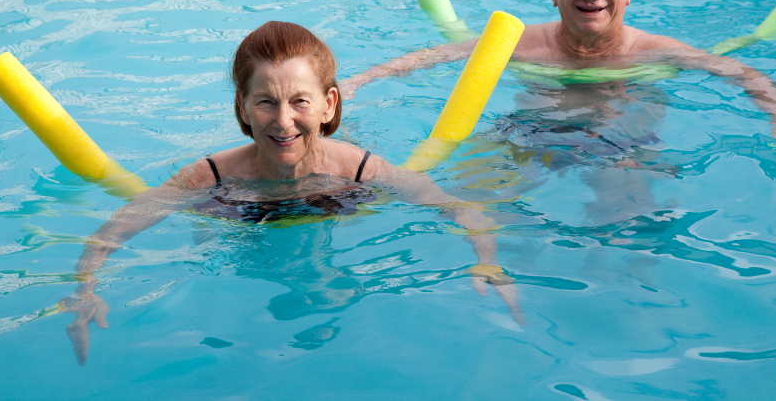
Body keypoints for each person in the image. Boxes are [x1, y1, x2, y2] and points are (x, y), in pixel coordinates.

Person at [63, 21, 524, 365]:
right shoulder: (207, 179)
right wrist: (86, 290)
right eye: (265, 101)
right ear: (242, 107)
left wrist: (487, 260)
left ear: (329, 105)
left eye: (300, 101)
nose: (283, 121)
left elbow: (462, 209)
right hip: (237, 231)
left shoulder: (360, 170)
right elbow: (112, 232)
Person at [340, 0, 776, 221]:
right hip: (528, 135)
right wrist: (355, 85)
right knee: (467, 205)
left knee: (630, 226)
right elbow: (431, 57)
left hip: (622, 145)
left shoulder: (658, 51)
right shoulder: (523, 44)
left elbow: (741, 73)